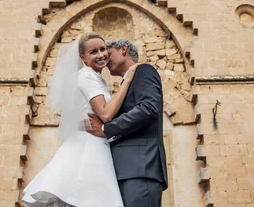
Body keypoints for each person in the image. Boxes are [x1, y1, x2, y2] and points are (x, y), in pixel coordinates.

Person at [22, 33, 139, 207]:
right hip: (89, 146)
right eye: (93, 52)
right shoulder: (86, 76)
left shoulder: (96, 78)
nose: (101, 55)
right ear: (82, 57)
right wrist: (127, 81)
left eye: (102, 49)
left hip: (97, 142)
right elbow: (105, 114)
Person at [87, 39, 168, 207]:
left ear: (123, 49)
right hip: (125, 170)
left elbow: (148, 108)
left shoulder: (143, 71)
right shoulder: (126, 83)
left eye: (108, 54)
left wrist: (106, 129)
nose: (105, 60)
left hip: (140, 168)